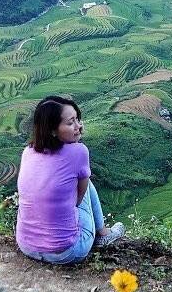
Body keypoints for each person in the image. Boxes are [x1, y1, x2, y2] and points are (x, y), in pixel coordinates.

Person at [15, 96, 124, 264]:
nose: (79, 126)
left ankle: (100, 231)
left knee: (77, 179)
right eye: (71, 122)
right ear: (52, 130)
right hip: (67, 252)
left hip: (26, 246)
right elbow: (78, 201)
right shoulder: (79, 152)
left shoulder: (28, 152)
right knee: (86, 182)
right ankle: (103, 233)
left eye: (78, 119)